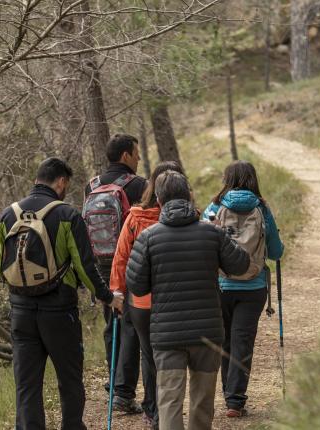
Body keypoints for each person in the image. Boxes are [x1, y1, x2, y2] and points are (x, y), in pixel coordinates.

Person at [0, 158, 123, 430]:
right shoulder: (67, 215)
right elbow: (85, 266)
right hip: (59, 312)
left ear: (37, 179)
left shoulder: (8, 214)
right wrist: (107, 297)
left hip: (21, 311)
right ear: (61, 182)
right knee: (70, 378)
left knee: (27, 384)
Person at [126, 170, 250, 430]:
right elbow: (241, 265)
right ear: (189, 197)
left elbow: (136, 286)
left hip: (167, 334)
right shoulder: (211, 234)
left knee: (169, 401)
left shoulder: (149, 238)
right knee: (202, 403)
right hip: (207, 332)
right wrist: (222, 236)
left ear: (159, 200)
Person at [203, 160, 284, 418]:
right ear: (253, 179)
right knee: (242, 341)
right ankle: (235, 401)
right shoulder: (262, 208)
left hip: (221, 285)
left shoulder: (215, 206)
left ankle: (229, 393)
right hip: (254, 286)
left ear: (227, 179)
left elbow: (203, 243)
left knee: (225, 340)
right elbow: (276, 251)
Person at [110, 161, 184, 429]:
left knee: (149, 354)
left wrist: (117, 292)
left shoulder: (136, 217)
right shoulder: (189, 217)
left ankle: (153, 410)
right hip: (176, 299)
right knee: (175, 354)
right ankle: (169, 409)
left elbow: (121, 258)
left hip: (141, 301)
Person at [84, 133, 147, 413]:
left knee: (112, 321)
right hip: (130, 262)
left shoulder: (92, 186)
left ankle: (114, 381)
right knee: (131, 324)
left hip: (100, 263)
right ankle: (124, 392)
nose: (139, 158)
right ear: (125, 156)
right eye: (136, 153)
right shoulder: (139, 185)